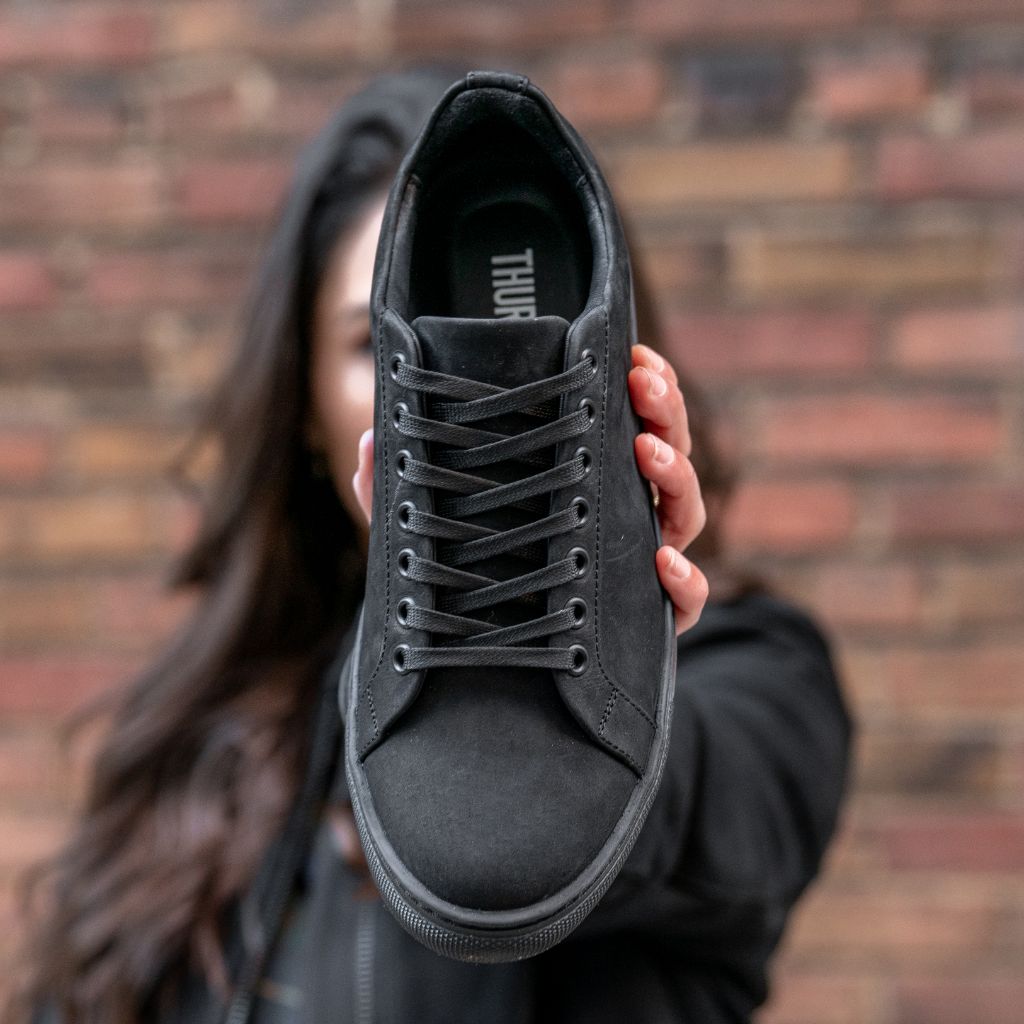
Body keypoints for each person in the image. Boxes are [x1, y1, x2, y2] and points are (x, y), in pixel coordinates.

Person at [7, 63, 854, 1024]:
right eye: (370, 347)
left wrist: (617, 648)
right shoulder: (195, 735)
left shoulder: (761, 671)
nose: (470, 399)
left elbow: (714, 819)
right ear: (301, 405)